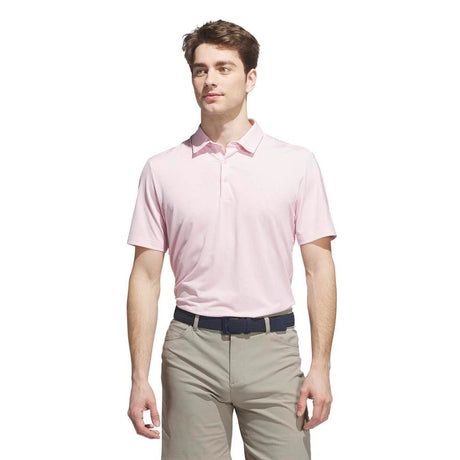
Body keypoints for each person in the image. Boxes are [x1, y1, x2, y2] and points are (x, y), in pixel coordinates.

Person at [126, 19, 337, 460]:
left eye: (224, 68)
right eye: (200, 70)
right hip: (190, 352)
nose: (210, 80)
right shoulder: (162, 169)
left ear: (250, 78)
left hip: (273, 349)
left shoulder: (296, 164)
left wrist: (321, 366)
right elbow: (145, 277)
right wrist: (138, 376)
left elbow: (319, 268)